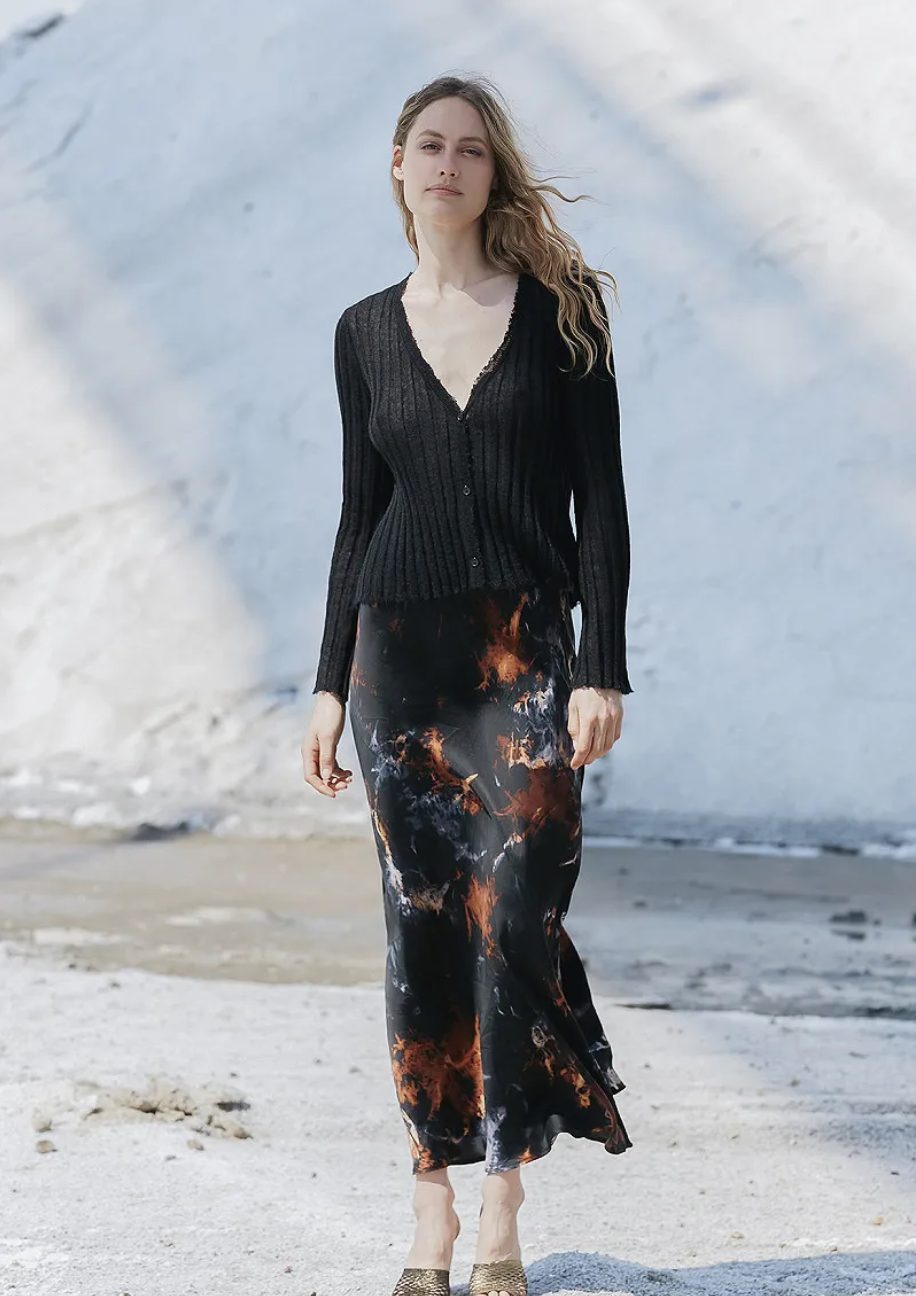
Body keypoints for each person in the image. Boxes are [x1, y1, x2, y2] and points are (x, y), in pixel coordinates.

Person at [301, 72, 634, 1296]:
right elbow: (358, 516)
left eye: (471, 150)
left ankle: (506, 1192)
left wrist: (600, 666)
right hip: (396, 662)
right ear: (398, 165)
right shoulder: (362, 332)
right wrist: (327, 685)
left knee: (516, 913)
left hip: (524, 655)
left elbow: (601, 505)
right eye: (429, 145)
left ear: (494, 176)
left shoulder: (562, 316)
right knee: (423, 926)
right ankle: (439, 1212)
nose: (448, 165)